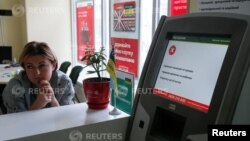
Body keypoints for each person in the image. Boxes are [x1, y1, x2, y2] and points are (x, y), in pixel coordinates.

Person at [2, 41, 75, 113]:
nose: (37, 73)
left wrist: (53, 100)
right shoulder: (14, 86)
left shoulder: (64, 82)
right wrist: (38, 104)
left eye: (42, 65)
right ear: (24, 68)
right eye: (30, 66)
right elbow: (16, 122)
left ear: (53, 65)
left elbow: (65, 119)